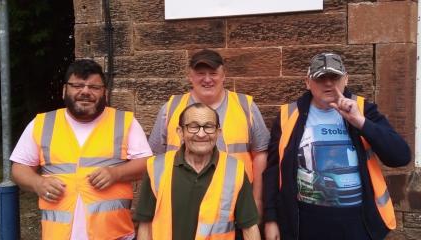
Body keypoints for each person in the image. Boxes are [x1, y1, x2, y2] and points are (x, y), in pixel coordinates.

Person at [263, 53, 411, 240]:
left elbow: (400, 157)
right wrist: (271, 218)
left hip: (357, 223)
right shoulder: (288, 115)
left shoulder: (364, 110)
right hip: (304, 223)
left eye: (334, 77)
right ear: (307, 82)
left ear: (346, 79)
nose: (328, 84)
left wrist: (360, 122)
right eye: (321, 78)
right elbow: (273, 171)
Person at [10, 59, 153, 240]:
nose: (85, 91)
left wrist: (115, 173)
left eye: (94, 87)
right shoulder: (42, 123)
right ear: (64, 90)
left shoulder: (125, 122)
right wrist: (38, 183)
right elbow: (19, 169)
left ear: (105, 93)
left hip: (114, 235)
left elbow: (147, 164)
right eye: (77, 85)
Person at [148, 49, 269, 216]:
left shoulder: (245, 106)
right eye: (200, 73)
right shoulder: (171, 108)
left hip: (236, 203)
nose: (207, 79)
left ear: (223, 75)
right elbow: (155, 159)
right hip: (180, 204)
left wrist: (257, 199)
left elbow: (261, 154)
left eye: (213, 73)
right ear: (189, 75)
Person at [135, 103, 261, 240]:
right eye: (193, 127)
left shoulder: (235, 170)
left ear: (218, 132)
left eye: (208, 127)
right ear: (180, 132)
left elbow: (249, 228)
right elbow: (145, 225)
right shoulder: (156, 168)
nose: (201, 134)